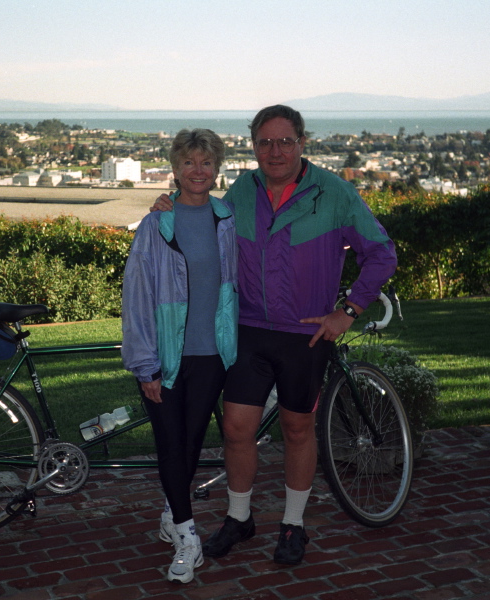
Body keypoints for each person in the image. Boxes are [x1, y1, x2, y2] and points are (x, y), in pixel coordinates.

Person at [152, 105, 397, 565]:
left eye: (285, 141)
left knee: (297, 428)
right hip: (248, 330)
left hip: (304, 335)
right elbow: (203, 213)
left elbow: (381, 253)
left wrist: (348, 310)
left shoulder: (334, 192)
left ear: (302, 142)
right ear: (254, 146)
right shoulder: (243, 190)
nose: (275, 150)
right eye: (265, 142)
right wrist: (166, 203)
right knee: (237, 429)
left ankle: (293, 524)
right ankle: (239, 518)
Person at [121, 128, 238, 583]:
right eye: (189, 162)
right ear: (175, 169)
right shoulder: (156, 225)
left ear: (216, 169)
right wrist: (145, 362)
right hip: (163, 355)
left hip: (211, 354)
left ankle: (173, 512)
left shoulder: (227, 218)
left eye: (206, 163)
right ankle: (189, 538)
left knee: (190, 444)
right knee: (170, 443)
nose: (197, 171)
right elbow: (137, 295)